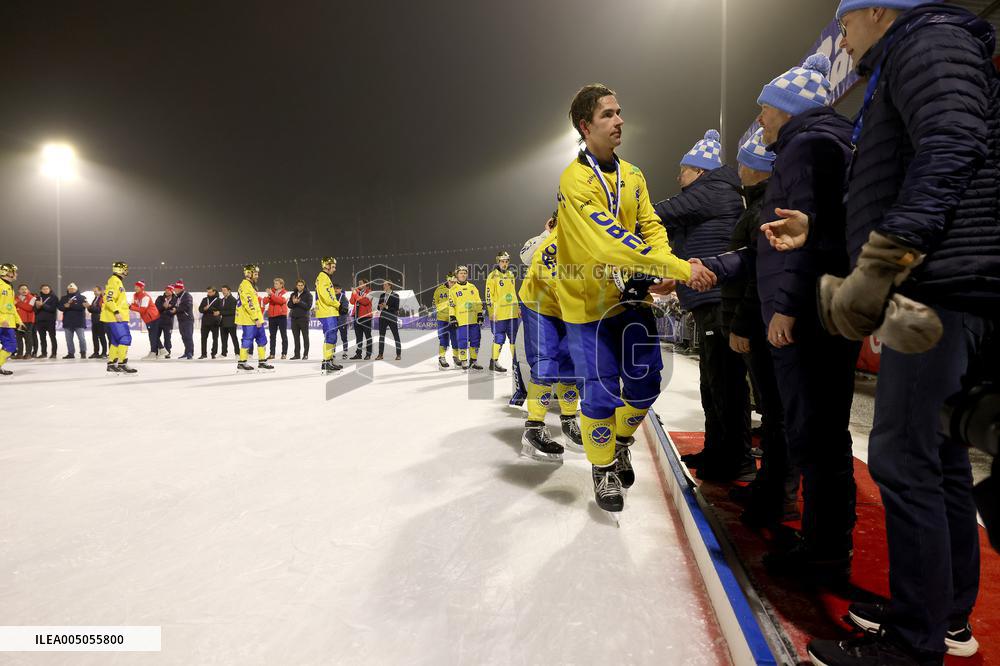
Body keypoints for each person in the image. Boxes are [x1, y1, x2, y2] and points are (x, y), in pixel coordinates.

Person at [757, 4, 998, 664]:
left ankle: (914, 643)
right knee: (940, 457)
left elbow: (952, 149)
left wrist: (882, 260)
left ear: (876, 9)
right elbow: (913, 168)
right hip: (950, 282)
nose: (842, 38)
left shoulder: (928, 43)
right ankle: (943, 616)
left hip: (937, 287)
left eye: (845, 22)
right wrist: (823, 231)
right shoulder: (920, 54)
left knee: (904, 456)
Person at [556, 83, 712, 513]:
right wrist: (678, 268)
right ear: (586, 126)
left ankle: (620, 442)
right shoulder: (574, 180)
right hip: (587, 304)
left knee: (646, 381)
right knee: (601, 390)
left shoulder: (634, 175)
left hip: (631, 297)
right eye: (607, 114)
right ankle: (603, 467)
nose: (619, 120)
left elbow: (651, 226)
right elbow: (608, 241)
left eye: (619, 112)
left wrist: (661, 265)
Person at [742, 53, 860, 582]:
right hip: (820, 307)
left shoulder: (807, 148)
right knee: (821, 431)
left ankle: (825, 549)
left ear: (788, 109)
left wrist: (786, 306)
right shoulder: (818, 144)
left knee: (816, 432)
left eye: (766, 108)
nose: (760, 118)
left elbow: (803, 239)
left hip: (808, 313)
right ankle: (824, 540)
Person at [698, 128, 796, 527]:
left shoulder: (764, 211)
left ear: (758, 168)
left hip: (758, 322)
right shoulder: (755, 207)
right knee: (772, 411)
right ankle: (770, 487)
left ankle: (779, 495)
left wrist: (741, 323)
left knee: (776, 412)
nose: (738, 167)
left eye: (744, 161)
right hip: (754, 319)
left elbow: (758, 274)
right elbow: (744, 259)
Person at [654, 129, 752, 482]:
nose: (679, 177)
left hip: (717, 297)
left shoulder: (710, 190)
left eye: (683, 170)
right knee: (713, 383)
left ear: (699, 170)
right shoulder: (712, 192)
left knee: (725, 383)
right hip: (708, 298)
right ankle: (717, 451)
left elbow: (657, 214)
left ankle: (737, 459)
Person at [516, 215, 585, 461]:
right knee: (545, 363)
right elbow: (534, 261)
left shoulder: (593, 236)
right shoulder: (552, 239)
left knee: (571, 364)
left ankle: (569, 420)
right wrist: (546, 234)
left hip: (568, 306)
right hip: (540, 303)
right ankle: (534, 427)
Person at [485, 251, 520, 373]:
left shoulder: (511, 275)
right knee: (499, 338)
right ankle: (493, 362)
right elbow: (489, 296)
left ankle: (516, 363)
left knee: (514, 338)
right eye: (502, 261)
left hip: (511, 313)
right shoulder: (492, 276)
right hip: (498, 314)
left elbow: (513, 293)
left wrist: (517, 308)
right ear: (498, 262)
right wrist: (491, 312)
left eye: (506, 261)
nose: (504, 264)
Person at [235, 264, 273, 372]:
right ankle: (242, 363)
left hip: (256, 318)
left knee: (262, 339)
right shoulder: (245, 285)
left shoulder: (251, 285)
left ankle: (262, 362)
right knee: (247, 340)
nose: (257, 276)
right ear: (249, 274)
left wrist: (258, 318)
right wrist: (256, 318)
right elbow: (249, 303)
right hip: (250, 319)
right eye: (255, 274)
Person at [101, 261, 137, 373]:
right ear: (120, 270)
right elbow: (108, 299)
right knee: (125, 338)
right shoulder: (114, 281)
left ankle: (111, 364)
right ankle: (122, 363)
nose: (126, 271)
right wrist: (116, 312)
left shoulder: (116, 281)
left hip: (115, 316)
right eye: (125, 269)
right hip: (116, 317)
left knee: (116, 341)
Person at [447, 267, 483, 369]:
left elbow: (478, 301)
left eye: (464, 273)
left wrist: (480, 313)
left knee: (476, 340)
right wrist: (452, 316)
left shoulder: (472, 287)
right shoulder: (453, 289)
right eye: (461, 273)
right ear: (457, 275)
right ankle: (463, 360)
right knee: (462, 340)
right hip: (461, 320)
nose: (463, 275)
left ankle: (473, 361)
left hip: (473, 319)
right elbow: (451, 305)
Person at [314, 257, 344, 373]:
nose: (335, 269)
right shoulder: (323, 277)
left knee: (332, 336)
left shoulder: (324, 277)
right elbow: (328, 297)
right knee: (330, 336)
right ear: (327, 265)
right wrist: (339, 305)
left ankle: (329, 361)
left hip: (328, 311)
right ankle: (326, 362)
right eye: (333, 266)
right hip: (327, 311)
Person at [0, 263, 23, 376]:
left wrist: (19, 321)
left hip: (8, 323)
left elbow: (11, 306)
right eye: (14, 272)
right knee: (10, 345)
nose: (16, 274)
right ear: (7, 272)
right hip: (2, 322)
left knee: (11, 346)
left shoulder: (9, 286)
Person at [432, 273, 459, 368]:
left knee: (456, 339)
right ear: (447, 280)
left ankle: (456, 357)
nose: (453, 284)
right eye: (451, 282)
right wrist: (445, 306)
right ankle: (442, 358)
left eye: (455, 282)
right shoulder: (439, 290)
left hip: (455, 318)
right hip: (443, 319)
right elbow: (434, 304)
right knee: (443, 339)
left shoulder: (458, 289)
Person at [130, 281, 161, 360]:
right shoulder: (135, 295)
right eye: (135, 286)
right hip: (148, 318)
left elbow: (143, 310)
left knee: (152, 336)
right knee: (153, 335)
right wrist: (131, 306)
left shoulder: (145, 297)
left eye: (138, 287)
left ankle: (153, 352)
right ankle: (162, 350)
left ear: (142, 288)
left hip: (153, 317)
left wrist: (130, 307)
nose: (135, 288)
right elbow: (135, 305)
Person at [376, 280, 402, 361]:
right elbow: (378, 307)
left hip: (392, 318)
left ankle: (398, 354)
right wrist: (380, 307)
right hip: (383, 318)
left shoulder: (395, 295)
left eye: (385, 285)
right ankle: (380, 354)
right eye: (383, 285)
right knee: (381, 336)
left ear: (390, 285)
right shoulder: (382, 295)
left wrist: (386, 307)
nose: (383, 286)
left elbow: (396, 308)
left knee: (396, 336)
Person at [264, 277, 289, 360]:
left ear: (281, 285)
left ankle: (284, 353)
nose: (275, 285)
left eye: (277, 283)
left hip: (281, 316)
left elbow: (280, 301)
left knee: (283, 335)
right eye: (274, 283)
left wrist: (271, 295)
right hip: (272, 317)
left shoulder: (285, 293)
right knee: (272, 336)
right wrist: (269, 295)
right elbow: (265, 301)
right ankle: (272, 354)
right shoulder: (272, 292)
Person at [287, 279, 312, 360]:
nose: (300, 287)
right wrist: (293, 302)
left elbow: (308, 306)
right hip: (294, 318)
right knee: (296, 338)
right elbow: (289, 305)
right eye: (298, 285)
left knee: (305, 337)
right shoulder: (293, 294)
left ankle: (305, 354)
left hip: (303, 318)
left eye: (301, 285)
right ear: (296, 286)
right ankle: (297, 355)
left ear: (304, 286)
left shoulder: (308, 295)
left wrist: (299, 302)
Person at [350, 277, 373, 360]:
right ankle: (358, 354)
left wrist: (355, 294)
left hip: (366, 317)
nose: (358, 285)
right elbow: (352, 302)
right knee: (358, 337)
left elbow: (365, 302)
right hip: (357, 317)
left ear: (366, 284)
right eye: (358, 283)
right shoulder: (357, 292)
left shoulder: (370, 292)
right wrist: (353, 293)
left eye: (360, 283)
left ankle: (368, 354)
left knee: (368, 336)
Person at [33, 284, 58, 359]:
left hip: (50, 320)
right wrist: (37, 307)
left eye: (47, 288)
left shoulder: (54, 297)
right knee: (42, 338)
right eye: (44, 289)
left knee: (52, 337)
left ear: (50, 289)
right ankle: (44, 353)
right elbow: (35, 310)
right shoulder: (38, 298)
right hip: (40, 321)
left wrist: (43, 305)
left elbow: (53, 309)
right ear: (41, 290)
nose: (45, 290)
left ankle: (54, 353)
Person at [198, 287, 223, 359]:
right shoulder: (205, 299)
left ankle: (213, 353)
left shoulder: (219, 300)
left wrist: (211, 309)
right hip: (205, 322)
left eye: (210, 292)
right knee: (203, 338)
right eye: (208, 292)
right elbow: (200, 309)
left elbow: (221, 310)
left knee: (215, 338)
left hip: (215, 322)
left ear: (214, 292)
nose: (208, 293)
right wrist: (204, 308)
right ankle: (203, 354)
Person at [172, 280, 194, 359]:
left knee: (188, 336)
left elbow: (187, 306)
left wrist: (176, 309)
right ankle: (186, 352)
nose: (174, 290)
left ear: (180, 289)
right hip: (181, 319)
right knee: (184, 336)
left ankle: (190, 353)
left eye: (175, 288)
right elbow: (175, 305)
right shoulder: (177, 296)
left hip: (187, 319)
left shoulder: (187, 296)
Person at [14, 283, 36, 360]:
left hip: (28, 321)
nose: (24, 290)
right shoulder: (15, 298)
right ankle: (19, 354)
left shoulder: (32, 298)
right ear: (19, 290)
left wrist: (18, 303)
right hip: (18, 321)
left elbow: (29, 308)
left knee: (28, 338)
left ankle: (28, 353)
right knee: (18, 338)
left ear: (28, 290)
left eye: (25, 289)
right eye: (22, 289)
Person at [154, 285, 175, 359]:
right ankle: (155, 351)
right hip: (158, 321)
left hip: (168, 322)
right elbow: (156, 308)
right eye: (166, 290)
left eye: (168, 290)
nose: (166, 291)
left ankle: (167, 352)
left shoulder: (175, 299)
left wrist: (167, 309)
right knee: (155, 336)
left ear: (172, 291)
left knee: (167, 338)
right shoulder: (160, 298)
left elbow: (175, 310)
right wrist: (164, 307)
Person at [87, 285, 107, 359]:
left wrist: (90, 307)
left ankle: (104, 353)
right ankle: (96, 352)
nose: (94, 292)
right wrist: (88, 307)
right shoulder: (95, 298)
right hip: (95, 320)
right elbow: (93, 310)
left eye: (95, 291)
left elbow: (100, 309)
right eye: (94, 291)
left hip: (100, 320)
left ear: (100, 291)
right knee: (94, 337)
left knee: (102, 337)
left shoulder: (103, 298)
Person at [219, 284, 238, 357]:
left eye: (224, 290)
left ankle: (237, 353)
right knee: (223, 339)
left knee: (234, 338)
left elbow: (232, 311)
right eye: (222, 290)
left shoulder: (233, 300)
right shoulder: (222, 300)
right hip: (223, 322)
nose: (223, 292)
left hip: (231, 322)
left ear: (229, 291)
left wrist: (220, 312)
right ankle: (224, 353)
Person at [335, 284, 351, 359]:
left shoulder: (343, 297)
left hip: (342, 321)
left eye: (337, 288)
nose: (336, 290)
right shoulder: (331, 297)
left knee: (344, 337)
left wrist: (338, 307)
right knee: (333, 337)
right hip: (333, 321)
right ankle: (332, 352)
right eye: (334, 288)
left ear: (341, 289)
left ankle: (345, 352)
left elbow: (345, 310)